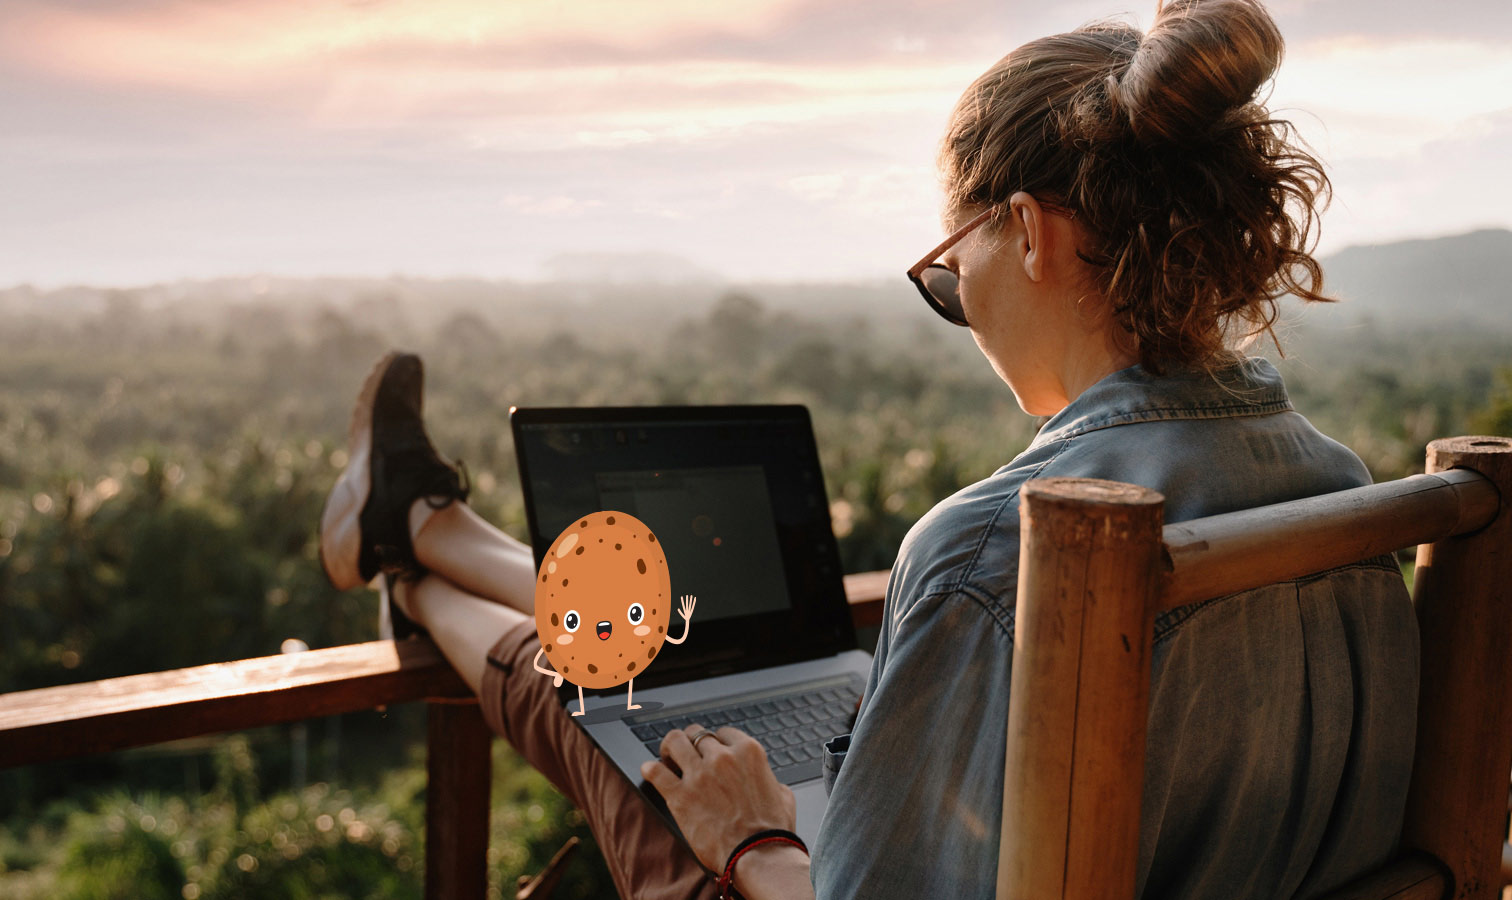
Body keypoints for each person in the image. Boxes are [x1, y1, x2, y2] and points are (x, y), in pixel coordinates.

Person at [316, 0, 1419, 897]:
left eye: (949, 270)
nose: (960, 304)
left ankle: (413, 557)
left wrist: (753, 839)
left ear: (1029, 233)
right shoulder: (1346, 496)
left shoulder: (1000, 550)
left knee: (619, 723)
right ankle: (421, 530)